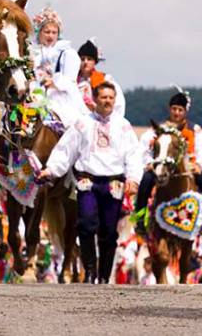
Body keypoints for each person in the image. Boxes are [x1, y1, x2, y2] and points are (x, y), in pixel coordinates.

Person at [38, 82, 142, 284]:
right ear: (95, 99)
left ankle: (103, 276)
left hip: (114, 184)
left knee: (109, 231)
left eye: (111, 97)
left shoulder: (123, 126)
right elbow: (65, 150)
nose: (107, 101)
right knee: (85, 224)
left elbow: (133, 155)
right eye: (103, 97)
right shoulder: (82, 124)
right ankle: (90, 270)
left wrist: (134, 179)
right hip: (88, 182)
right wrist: (51, 170)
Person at [134, 87, 202, 234]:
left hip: (186, 168)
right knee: (146, 181)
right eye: (174, 109)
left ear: (185, 111)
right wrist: (148, 163)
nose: (176, 113)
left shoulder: (194, 130)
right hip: (161, 167)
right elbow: (144, 149)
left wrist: (199, 165)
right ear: (169, 109)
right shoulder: (158, 129)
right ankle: (140, 219)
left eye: (180, 110)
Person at [30, 6, 90, 133]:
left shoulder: (67, 53)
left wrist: (54, 82)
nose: (50, 36)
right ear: (39, 32)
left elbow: (70, 81)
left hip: (59, 98)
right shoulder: (32, 53)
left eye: (54, 32)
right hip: (34, 95)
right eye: (47, 32)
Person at [76, 38, 126, 119]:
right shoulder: (72, 81)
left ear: (95, 62)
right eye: (82, 59)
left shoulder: (105, 79)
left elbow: (118, 104)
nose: (85, 62)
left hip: (99, 119)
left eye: (89, 59)